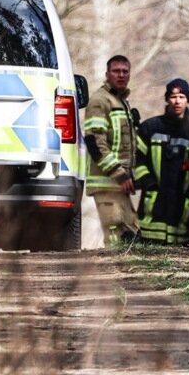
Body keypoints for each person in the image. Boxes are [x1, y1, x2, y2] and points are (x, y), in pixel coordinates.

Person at [132, 78, 189, 245]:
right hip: (153, 208)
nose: (177, 101)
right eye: (173, 96)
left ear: (188, 100)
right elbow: (137, 161)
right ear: (167, 99)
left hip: (182, 212)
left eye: (182, 96)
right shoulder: (149, 128)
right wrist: (149, 184)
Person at [83, 55, 140, 245]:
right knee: (117, 236)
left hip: (119, 184)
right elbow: (94, 141)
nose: (121, 75)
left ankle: (126, 274)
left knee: (131, 233)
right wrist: (119, 174)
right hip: (107, 183)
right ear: (107, 74)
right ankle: (112, 275)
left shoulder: (120, 102)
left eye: (125, 71)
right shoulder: (100, 101)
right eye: (116, 71)